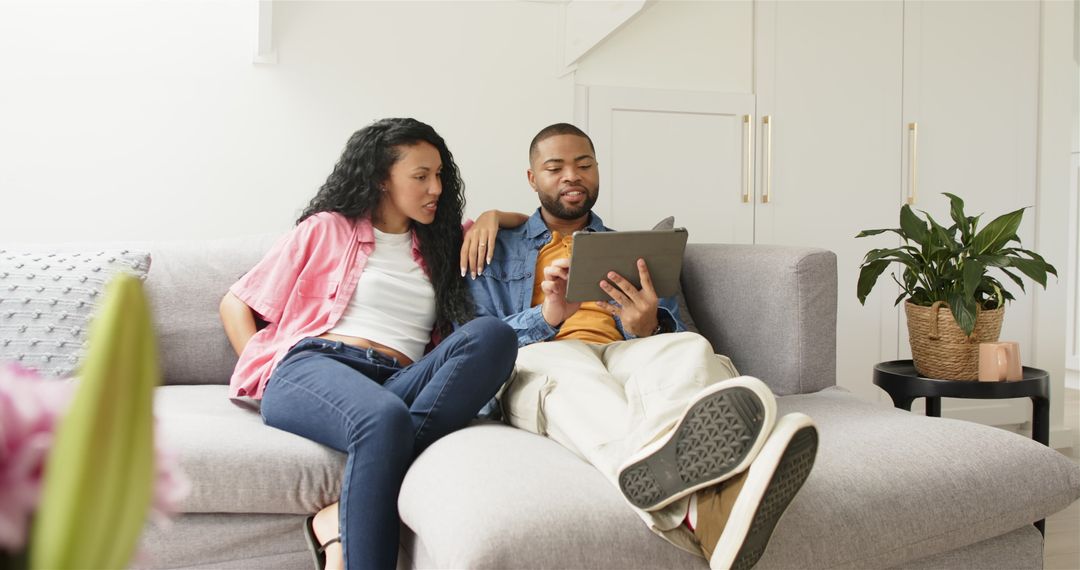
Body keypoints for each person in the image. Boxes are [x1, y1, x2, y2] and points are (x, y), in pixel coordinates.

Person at [468, 123, 820, 570]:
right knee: (572, 375)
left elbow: (668, 333)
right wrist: (548, 315)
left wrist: (646, 325)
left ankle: (688, 494)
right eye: (554, 168)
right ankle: (702, 505)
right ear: (532, 178)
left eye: (584, 164)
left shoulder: (634, 249)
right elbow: (474, 344)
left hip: (624, 353)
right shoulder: (492, 248)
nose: (571, 176)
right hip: (547, 352)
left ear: (598, 170)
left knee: (689, 348)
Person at [219, 118, 522, 570]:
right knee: (384, 418)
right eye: (420, 176)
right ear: (382, 178)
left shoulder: (443, 242)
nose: (436, 188)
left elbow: (529, 225)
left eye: (439, 175)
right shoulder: (327, 228)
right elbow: (235, 303)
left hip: (398, 381)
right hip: (318, 368)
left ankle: (339, 516)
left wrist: (495, 216)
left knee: (494, 335)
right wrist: (263, 364)